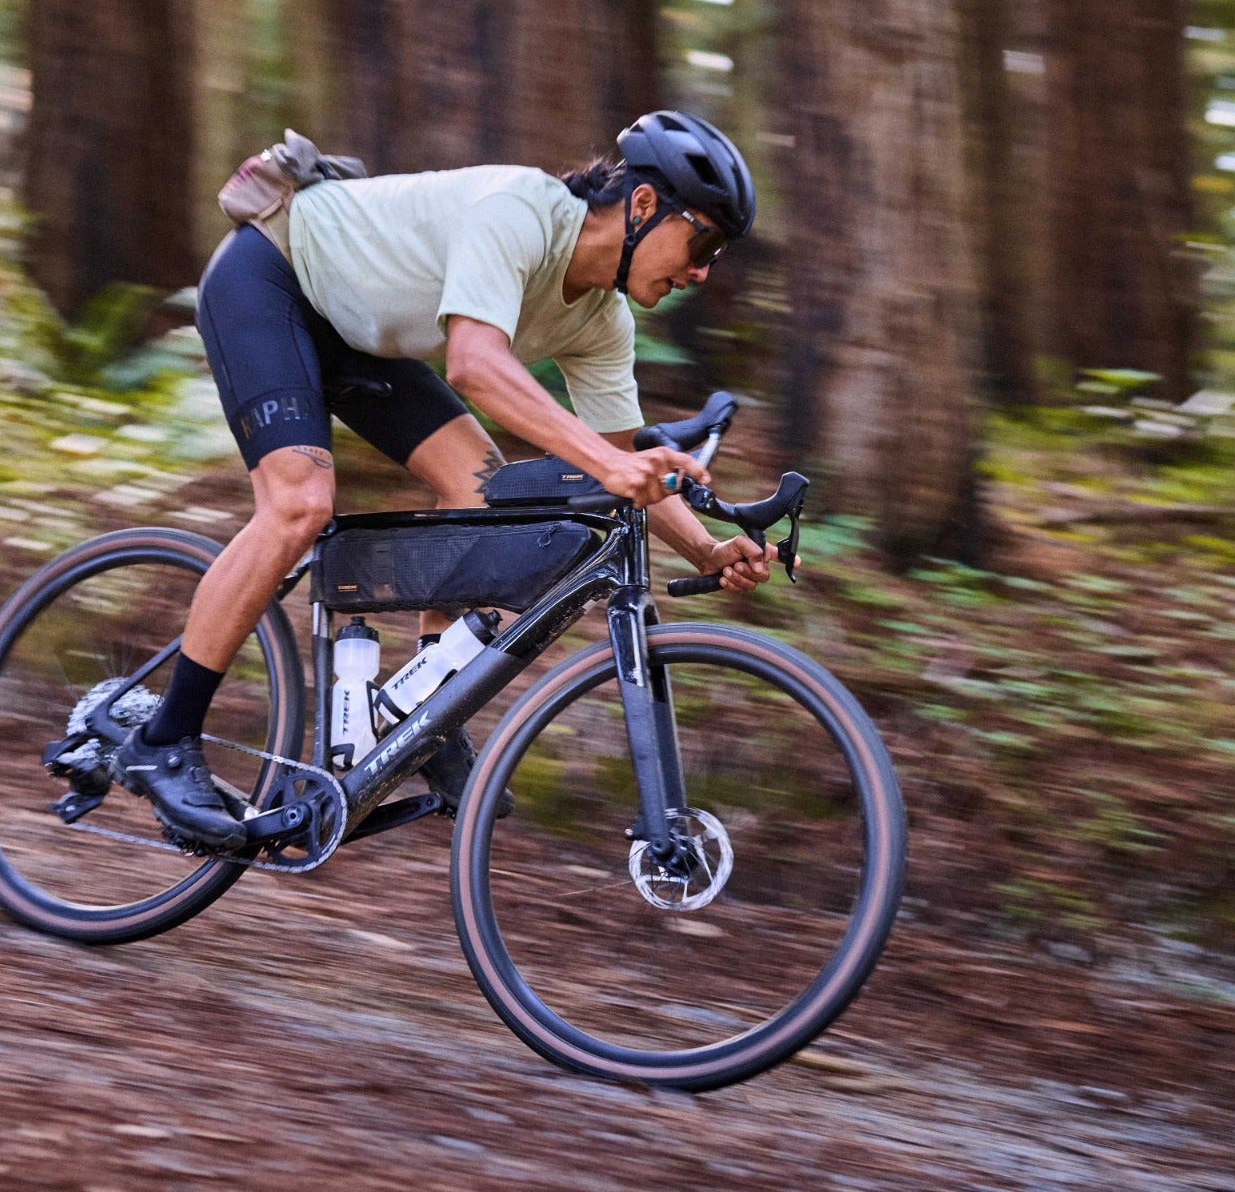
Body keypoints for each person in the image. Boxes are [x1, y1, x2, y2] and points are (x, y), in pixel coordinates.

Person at [112, 111, 780, 849]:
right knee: (299, 504)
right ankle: (163, 739)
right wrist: (610, 462)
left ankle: (425, 716)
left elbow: (628, 468)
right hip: (273, 277)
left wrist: (707, 549)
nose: (702, 272)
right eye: (703, 244)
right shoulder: (522, 212)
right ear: (644, 205)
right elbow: (473, 364)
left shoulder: (602, 321)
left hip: (353, 331)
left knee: (480, 492)